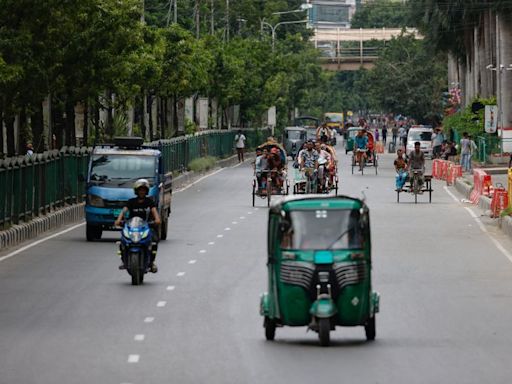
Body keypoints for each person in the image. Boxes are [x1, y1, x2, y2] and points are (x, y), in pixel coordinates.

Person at [115, 179, 161, 273]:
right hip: (132, 227)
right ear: (136, 191)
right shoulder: (131, 201)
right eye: (140, 190)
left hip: (146, 227)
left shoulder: (149, 202)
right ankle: (124, 260)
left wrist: (157, 219)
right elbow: (124, 210)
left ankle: (151, 262)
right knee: (122, 241)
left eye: (144, 190)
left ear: (146, 191)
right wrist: (119, 219)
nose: (142, 191)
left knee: (154, 242)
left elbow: (154, 212)